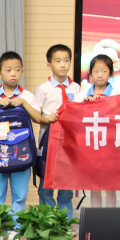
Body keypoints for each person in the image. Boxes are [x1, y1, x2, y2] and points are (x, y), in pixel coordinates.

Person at [0, 51, 54, 240]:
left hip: (22, 155)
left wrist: (23, 103)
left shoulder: (27, 95)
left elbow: (38, 118)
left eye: (17, 70)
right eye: (8, 70)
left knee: (20, 196)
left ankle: (15, 231)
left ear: (22, 72)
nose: (13, 73)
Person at [34, 43, 79, 218]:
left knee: (66, 179)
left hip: (69, 140)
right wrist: (47, 118)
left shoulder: (76, 88)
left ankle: (64, 219)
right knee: (46, 178)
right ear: (49, 64)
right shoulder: (43, 89)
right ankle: (48, 218)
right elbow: (36, 115)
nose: (63, 65)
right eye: (58, 61)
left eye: (66, 61)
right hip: (48, 139)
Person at [76, 55, 120, 208]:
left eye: (104, 71)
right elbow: (73, 113)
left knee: (110, 185)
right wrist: (83, 104)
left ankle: (110, 217)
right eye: (96, 71)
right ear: (90, 73)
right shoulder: (83, 94)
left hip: (111, 146)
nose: (100, 75)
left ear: (111, 73)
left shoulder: (117, 93)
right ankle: (96, 217)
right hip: (90, 147)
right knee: (94, 185)